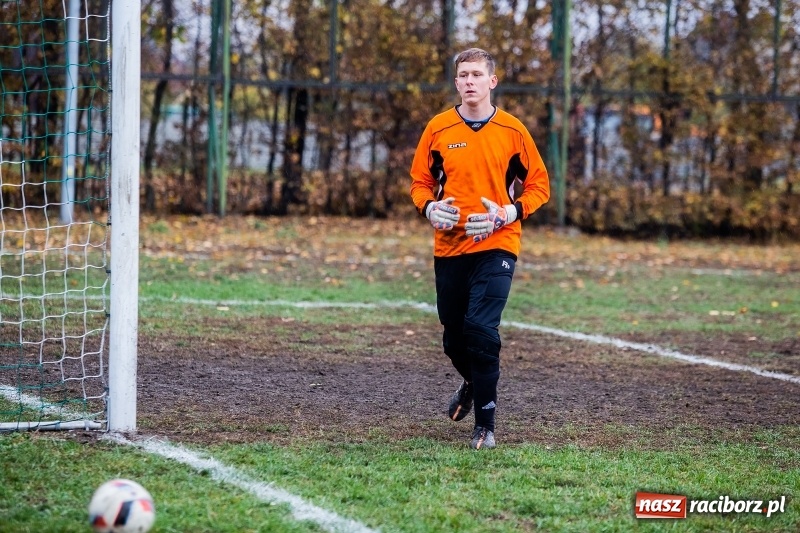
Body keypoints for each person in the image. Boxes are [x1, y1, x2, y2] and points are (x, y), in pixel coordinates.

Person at [409, 47, 550, 450]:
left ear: (492, 81)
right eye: (463, 75)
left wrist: (509, 212)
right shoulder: (438, 129)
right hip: (450, 247)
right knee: (454, 338)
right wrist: (431, 207)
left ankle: (485, 426)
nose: (469, 81)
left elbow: (539, 185)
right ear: (456, 83)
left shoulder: (513, 132)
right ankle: (472, 381)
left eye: (477, 75)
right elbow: (420, 182)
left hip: (497, 243)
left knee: (482, 330)